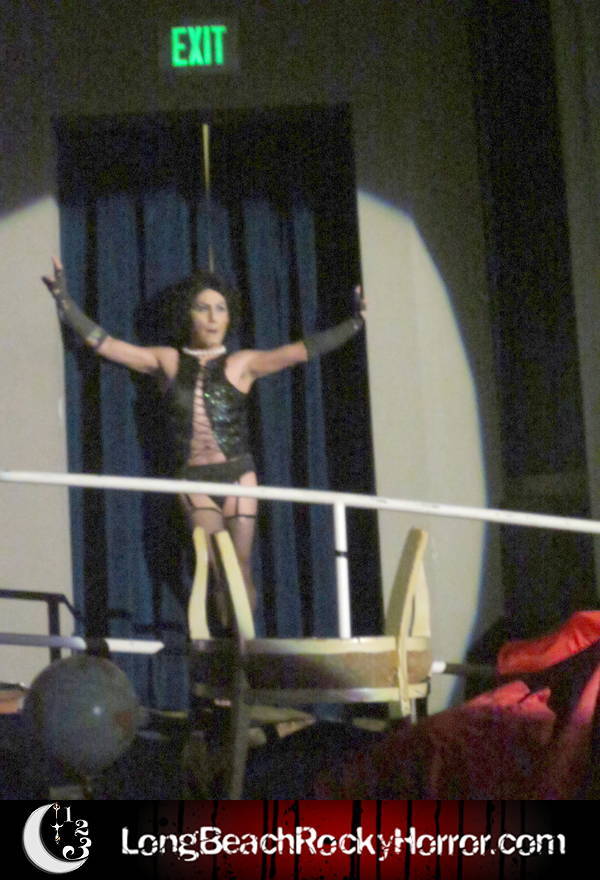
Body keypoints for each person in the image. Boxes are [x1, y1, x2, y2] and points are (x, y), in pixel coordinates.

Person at [42, 258, 365, 623]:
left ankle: (246, 645)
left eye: (220, 309)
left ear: (230, 318)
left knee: (240, 566)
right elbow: (108, 346)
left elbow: (300, 351)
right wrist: (64, 301)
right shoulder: (167, 361)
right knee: (214, 566)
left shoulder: (242, 363)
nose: (212, 318)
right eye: (203, 308)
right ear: (188, 315)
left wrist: (355, 323)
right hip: (193, 479)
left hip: (238, 475)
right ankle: (223, 643)